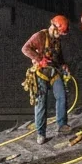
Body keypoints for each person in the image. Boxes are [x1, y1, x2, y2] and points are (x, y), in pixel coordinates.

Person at [22, 15, 72, 144]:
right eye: (60, 33)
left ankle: (62, 125)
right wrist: (39, 59)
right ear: (54, 28)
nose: (60, 36)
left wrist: (63, 64)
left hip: (53, 71)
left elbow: (58, 56)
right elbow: (25, 48)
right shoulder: (39, 36)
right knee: (41, 102)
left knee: (62, 95)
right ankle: (41, 133)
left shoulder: (56, 40)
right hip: (40, 73)